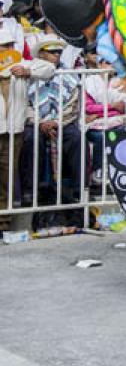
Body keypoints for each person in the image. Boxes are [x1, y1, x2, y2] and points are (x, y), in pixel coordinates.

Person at [0, 30, 55, 230]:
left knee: (7, 176)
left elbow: (49, 68)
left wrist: (27, 71)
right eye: (2, 45)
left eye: (8, 45)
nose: (5, 49)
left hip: (14, 130)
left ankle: (3, 224)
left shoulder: (22, 64)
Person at [20, 35, 81, 212]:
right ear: (41, 54)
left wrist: (56, 121)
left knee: (76, 138)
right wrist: (40, 123)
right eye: (52, 52)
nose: (57, 55)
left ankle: (78, 189)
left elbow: (73, 104)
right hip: (35, 122)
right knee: (30, 139)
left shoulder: (68, 74)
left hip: (62, 120)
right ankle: (31, 190)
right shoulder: (27, 72)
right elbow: (25, 104)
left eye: (59, 52)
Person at [83, 42, 126, 189]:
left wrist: (101, 112)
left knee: (121, 135)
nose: (110, 65)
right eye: (106, 62)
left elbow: (122, 107)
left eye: (113, 63)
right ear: (99, 64)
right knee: (100, 137)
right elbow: (88, 107)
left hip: (116, 121)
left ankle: (119, 174)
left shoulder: (121, 82)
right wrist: (111, 107)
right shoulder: (88, 81)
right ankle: (97, 172)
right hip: (93, 124)